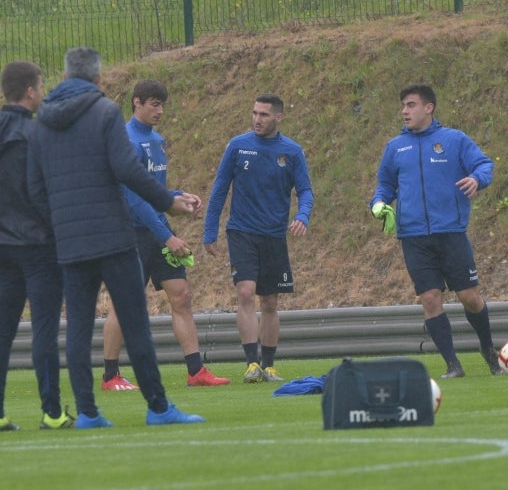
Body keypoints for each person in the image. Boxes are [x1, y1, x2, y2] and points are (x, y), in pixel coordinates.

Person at [27, 47, 205, 428]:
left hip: (71, 242)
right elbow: (127, 170)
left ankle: (88, 413)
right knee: (134, 321)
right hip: (112, 235)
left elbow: (35, 186)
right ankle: (158, 408)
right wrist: (168, 202)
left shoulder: (42, 119)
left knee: (77, 327)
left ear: (63, 76)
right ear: (97, 78)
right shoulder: (105, 111)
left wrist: (57, 227)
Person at [100, 80, 230, 390]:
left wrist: (176, 197)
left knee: (181, 297)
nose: (160, 110)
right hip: (131, 233)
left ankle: (196, 371)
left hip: (157, 229)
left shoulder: (156, 140)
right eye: (154, 104)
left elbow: (151, 190)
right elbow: (134, 198)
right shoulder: (128, 140)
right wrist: (168, 236)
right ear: (136, 102)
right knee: (125, 303)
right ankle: (110, 376)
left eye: (162, 105)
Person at [370, 83, 501, 379]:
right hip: (413, 236)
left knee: (469, 296)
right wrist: (378, 203)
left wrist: (477, 180)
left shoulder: (453, 139)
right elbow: (385, 185)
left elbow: (484, 164)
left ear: (428, 108)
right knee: (430, 298)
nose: (405, 111)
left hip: (450, 232)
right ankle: (452, 364)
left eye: (411, 105)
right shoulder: (395, 147)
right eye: (403, 105)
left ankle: (487, 348)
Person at [0, 61, 73, 431]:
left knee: (2, 328)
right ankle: (52, 412)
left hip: (0, 246)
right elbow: (41, 192)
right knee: (44, 329)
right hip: (37, 244)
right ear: (31, 91)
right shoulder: (35, 135)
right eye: (41, 85)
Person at [203, 94, 313, 384]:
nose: (257, 119)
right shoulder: (238, 146)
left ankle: (269, 365)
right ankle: (251, 363)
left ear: (278, 118)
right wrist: (209, 231)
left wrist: (302, 215)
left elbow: (305, 190)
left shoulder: (291, 151)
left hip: (274, 235)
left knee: (270, 302)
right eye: (254, 113)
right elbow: (219, 189)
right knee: (245, 293)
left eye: (264, 115)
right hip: (241, 232)